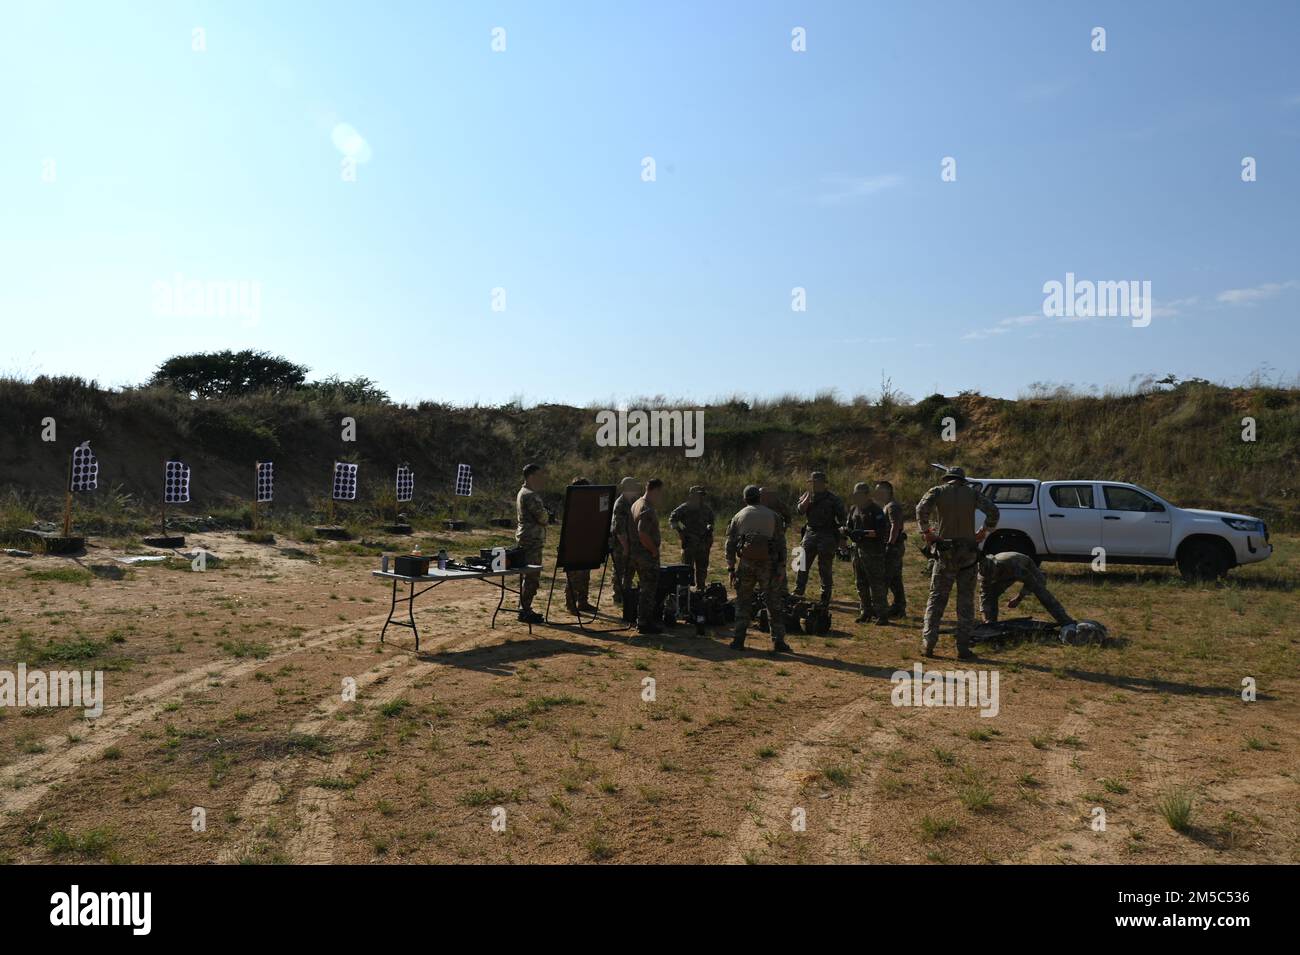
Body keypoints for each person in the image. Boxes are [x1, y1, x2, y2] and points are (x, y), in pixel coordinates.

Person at [915, 467, 1000, 660]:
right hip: (968, 553)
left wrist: (926, 532)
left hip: (945, 552)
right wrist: (984, 531)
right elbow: (993, 512)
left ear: (947, 480)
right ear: (962, 480)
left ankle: (928, 645)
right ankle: (962, 648)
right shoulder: (973, 494)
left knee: (937, 599)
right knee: (965, 602)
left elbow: (921, 509)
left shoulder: (937, 491)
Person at [725, 485, 792, 654]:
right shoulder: (773, 516)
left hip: (746, 564)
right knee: (773, 603)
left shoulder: (739, 515)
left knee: (743, 602)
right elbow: (781, 543)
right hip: (768, 565)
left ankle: (738, 640)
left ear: (745, 499)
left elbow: (730, 544)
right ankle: (779, 642)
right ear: (759, 498)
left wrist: (731, 568)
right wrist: (782, 566)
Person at [979, 551, 1075, 626]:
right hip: (1006, 573)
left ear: (997, 567)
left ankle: (1065, 621)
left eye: (992, 575)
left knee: (1040, 590)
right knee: (991, 594)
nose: (991, 578)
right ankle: (991, 624)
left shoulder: (1014, 565)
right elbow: (984, 597)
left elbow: (1031, 582)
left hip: (1025, 565)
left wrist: (1018, 598)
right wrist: (985, 619)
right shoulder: (983, 576)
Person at [794, 471, 846, 607]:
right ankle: (798, 591)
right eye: (812, 483)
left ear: (823, 484)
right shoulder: (807, 496)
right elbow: (799, 511)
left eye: (816, 483)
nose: (814, 485)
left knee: (825, 568)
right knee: (802, 563)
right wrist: (807, 499)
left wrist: (841, 538)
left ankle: (825, 596)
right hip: (810, 533)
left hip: (827, 535)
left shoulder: (833, 499)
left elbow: (843, 519)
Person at [844, 482, 890, 625]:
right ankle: (865, 612)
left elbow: (881, 532)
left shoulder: (876, 511)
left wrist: (863, 534)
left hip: (873, 552)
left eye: (859, 495)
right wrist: (846, 533)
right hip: (857, 551)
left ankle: (882, 614)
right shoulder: (853, 509)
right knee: (860, 583)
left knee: (876, 584)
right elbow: (849, 526)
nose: (856, 498)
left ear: (866, 495)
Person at [630, 478, 666, 635]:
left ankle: (642, 619)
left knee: (644, 588)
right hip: (645, 555)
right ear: (655, 490)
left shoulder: (637, 503)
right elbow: (642, 532)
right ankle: (644, 622)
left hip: (636, 554)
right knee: (648, 589)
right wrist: (653, 550)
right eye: (660, 493)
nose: (661, 496)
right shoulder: (647, 508)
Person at [515, 463, 549, 624]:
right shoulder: (530, 495)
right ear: (531, 476)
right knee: (532, 576)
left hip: (527, 538)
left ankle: (524, 608)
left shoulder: (524, 492)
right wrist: (547, 515)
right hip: (532, 540)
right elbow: (542, 517)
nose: (542, 479)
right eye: (539, 475)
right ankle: (525, 609)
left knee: (527, 575)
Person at [873, 480, 908, 618]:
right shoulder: (887, 506)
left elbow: (896, 526)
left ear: (887, 492)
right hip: (893, 546)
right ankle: (899, 607)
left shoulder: (892, 506)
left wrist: (890, 544)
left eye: (879, 491)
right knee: (895, 579)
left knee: (885, 578)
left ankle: (880, 609)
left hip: (893, 547)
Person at [564, 477, 598, 615]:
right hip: (574, 545)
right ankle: (571, 605)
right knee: (574, 576)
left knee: (585, 575)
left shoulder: (587, 504)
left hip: (586, 543)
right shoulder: (573, 506)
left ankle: (582, 602)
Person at [669, 485, 715, 588]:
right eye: (698, 495)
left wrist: (709, 530)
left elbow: (711, 522)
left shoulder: (707, 509)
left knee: (702, 569)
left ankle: (701, 590)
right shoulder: (684, 508)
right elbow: (673, 519)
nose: (701, 497)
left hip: (703, 544)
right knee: (686, 569)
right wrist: (681, 530)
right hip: (689, 543)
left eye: (702, 495)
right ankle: (685, 592)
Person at [609, 477, 640, 605]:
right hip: (620, 544)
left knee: (630, 570)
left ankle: (626, 594)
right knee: (619, 570)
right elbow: (619, 529)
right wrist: (626, 547)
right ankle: (617, 596)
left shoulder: (634, 502)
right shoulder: (620, 504)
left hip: (631, 542)